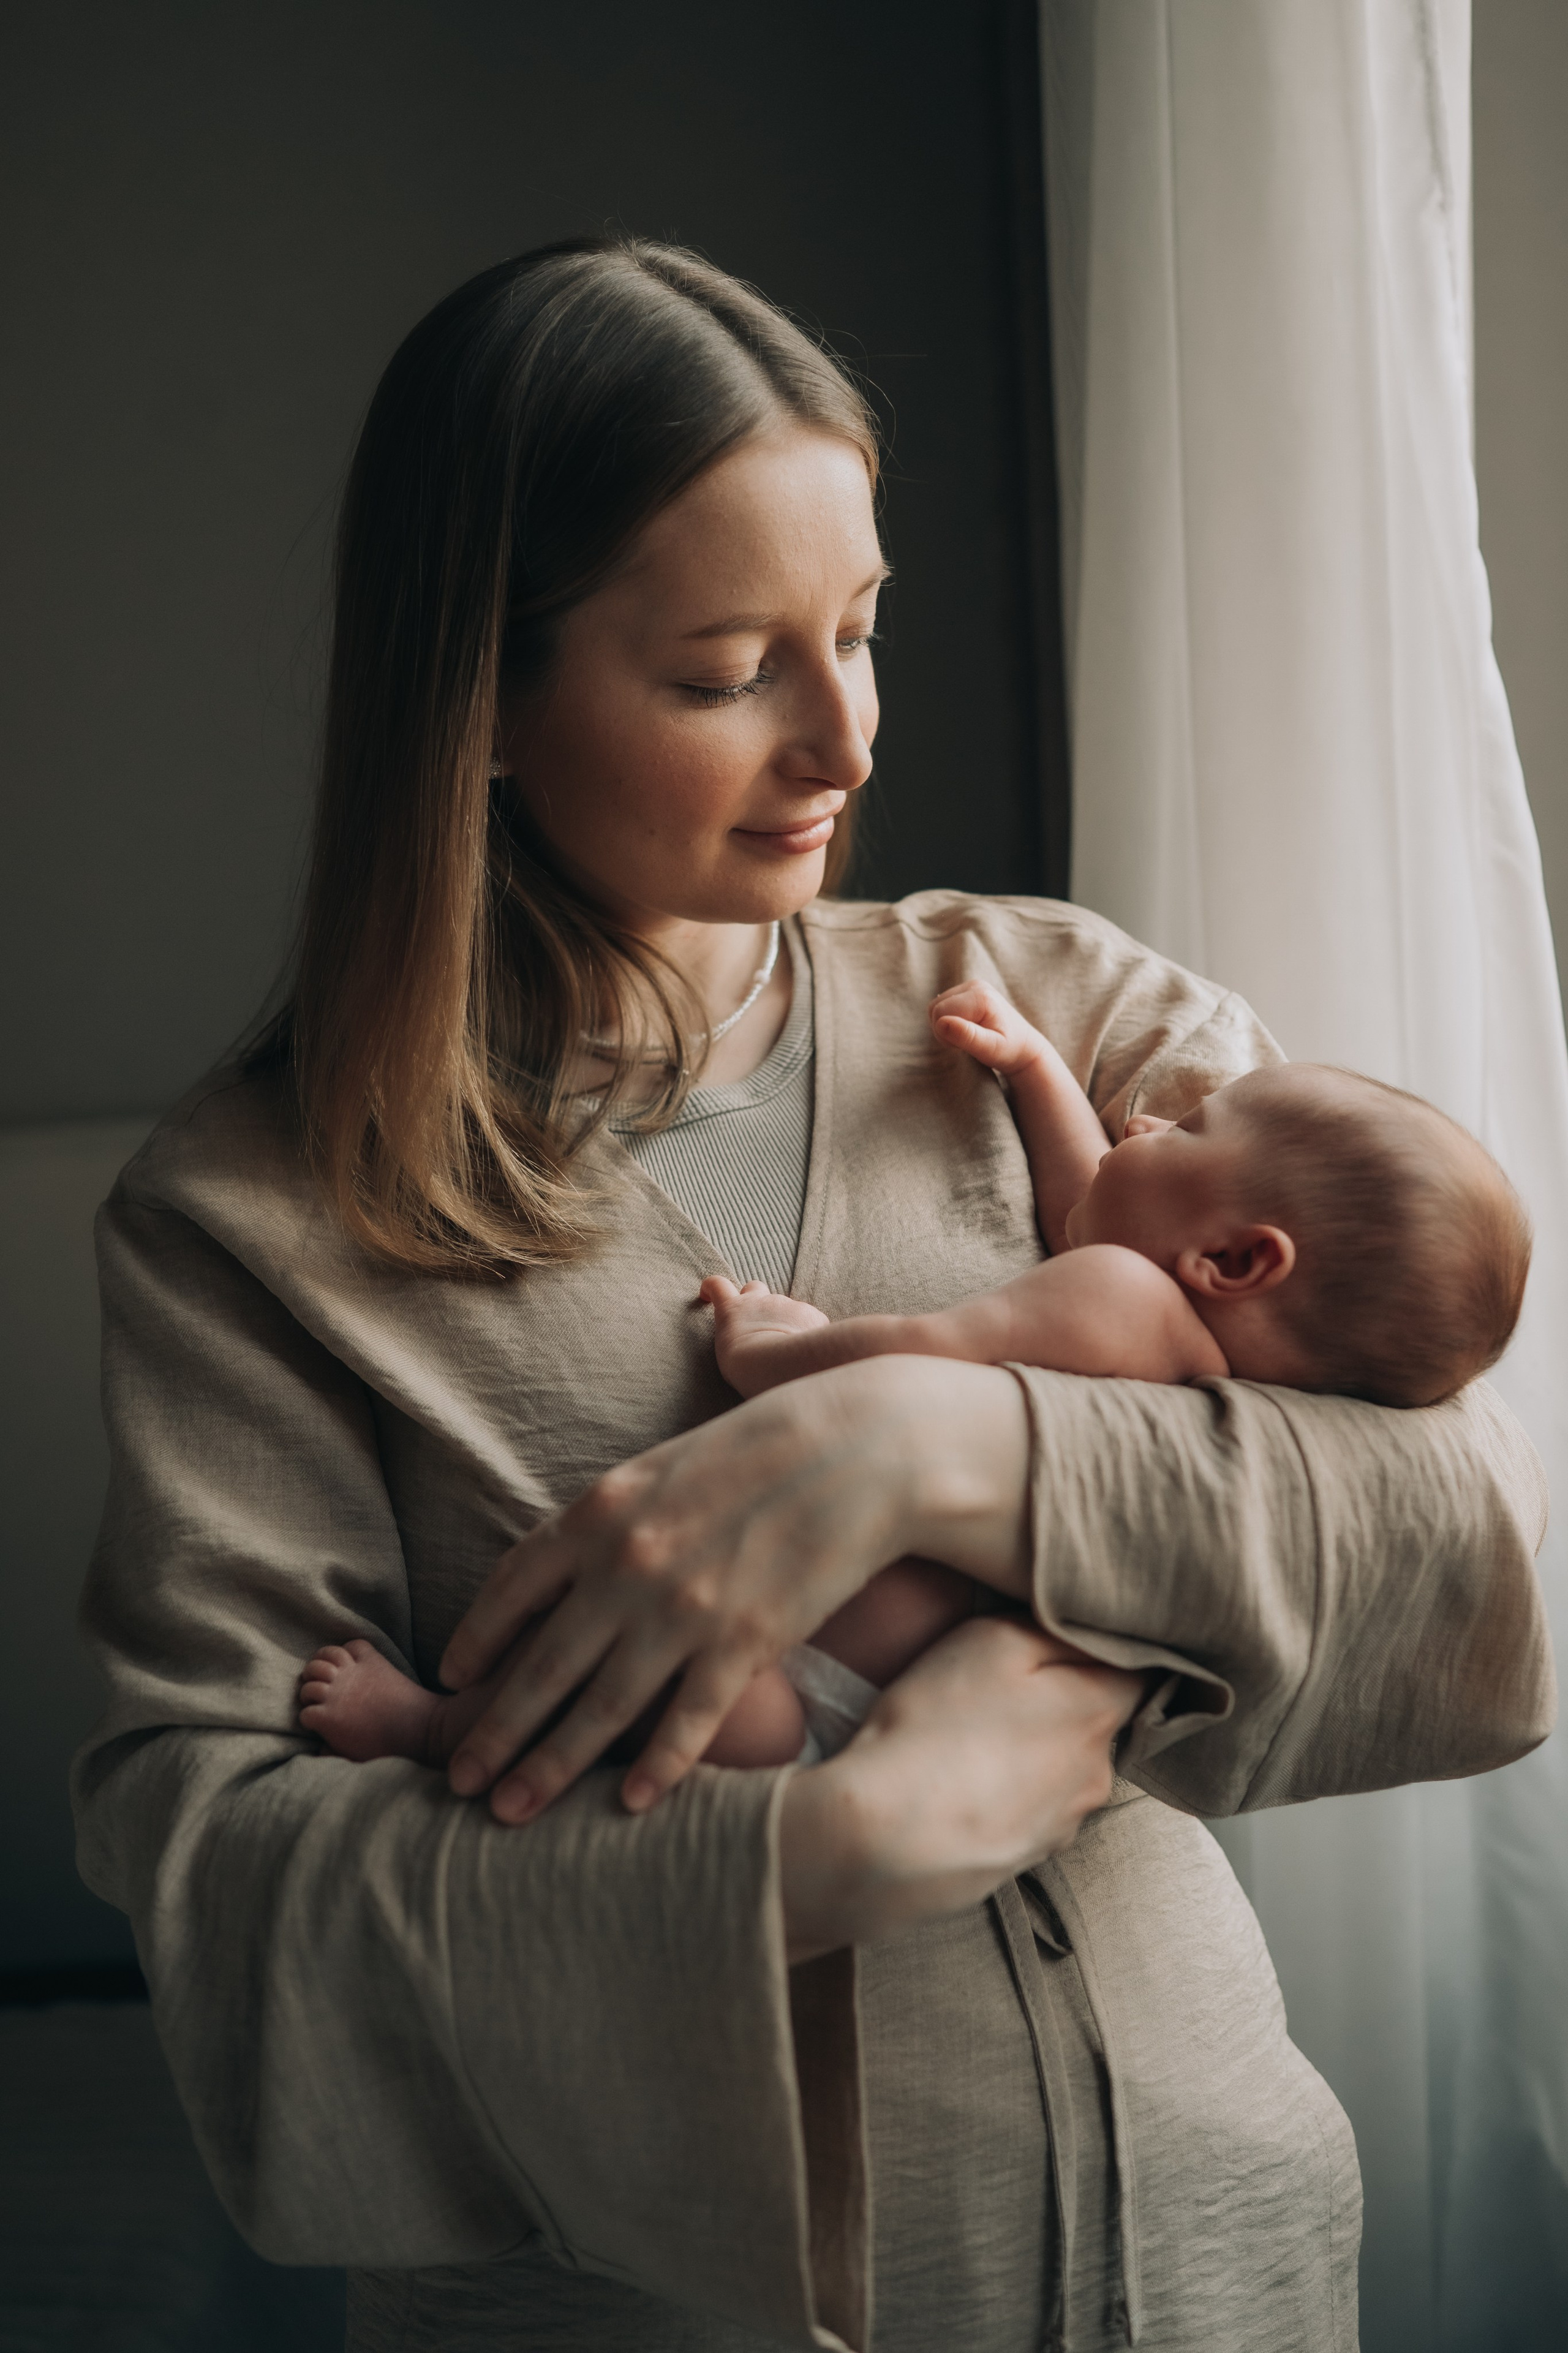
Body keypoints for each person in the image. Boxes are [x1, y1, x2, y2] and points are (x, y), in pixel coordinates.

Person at [72, 237, 1553, 2353]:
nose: (844, 735)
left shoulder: (1067, 1005)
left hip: (1225, 2265)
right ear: (478, 699)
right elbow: (227, 1884)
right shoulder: (248, 1228)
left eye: (861, 629)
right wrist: (833, 1849)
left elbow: (1470, 1555)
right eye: (724, 670)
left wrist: (936, 1439)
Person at [298, 977, 1532, 1781]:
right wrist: (1039, 1072)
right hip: (900, 1700)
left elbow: (922, 1362)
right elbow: (1088, 1201)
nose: (1147, 1127)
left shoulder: (1119, 1297)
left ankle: (428, 1728)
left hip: (810, 1655)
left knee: (637, 1711)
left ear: (1233, 1256)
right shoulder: (1181, 1333)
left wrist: (771, 1349)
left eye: (1194, 1131)